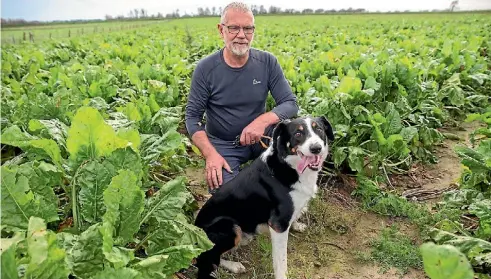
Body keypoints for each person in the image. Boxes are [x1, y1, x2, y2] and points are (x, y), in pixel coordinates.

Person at [185, 2, 298, 193]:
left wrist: (261, 122)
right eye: (234, 28)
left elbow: (290, 103)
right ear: (221, 30)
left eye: (247, 28)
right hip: (224, 144)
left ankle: (284, 195)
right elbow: (192, 118)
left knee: (295, 140)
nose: (241, 35)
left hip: (261, 138)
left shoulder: (267, 62)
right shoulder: (206, 69)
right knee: (229, 197)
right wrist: (210, 154)